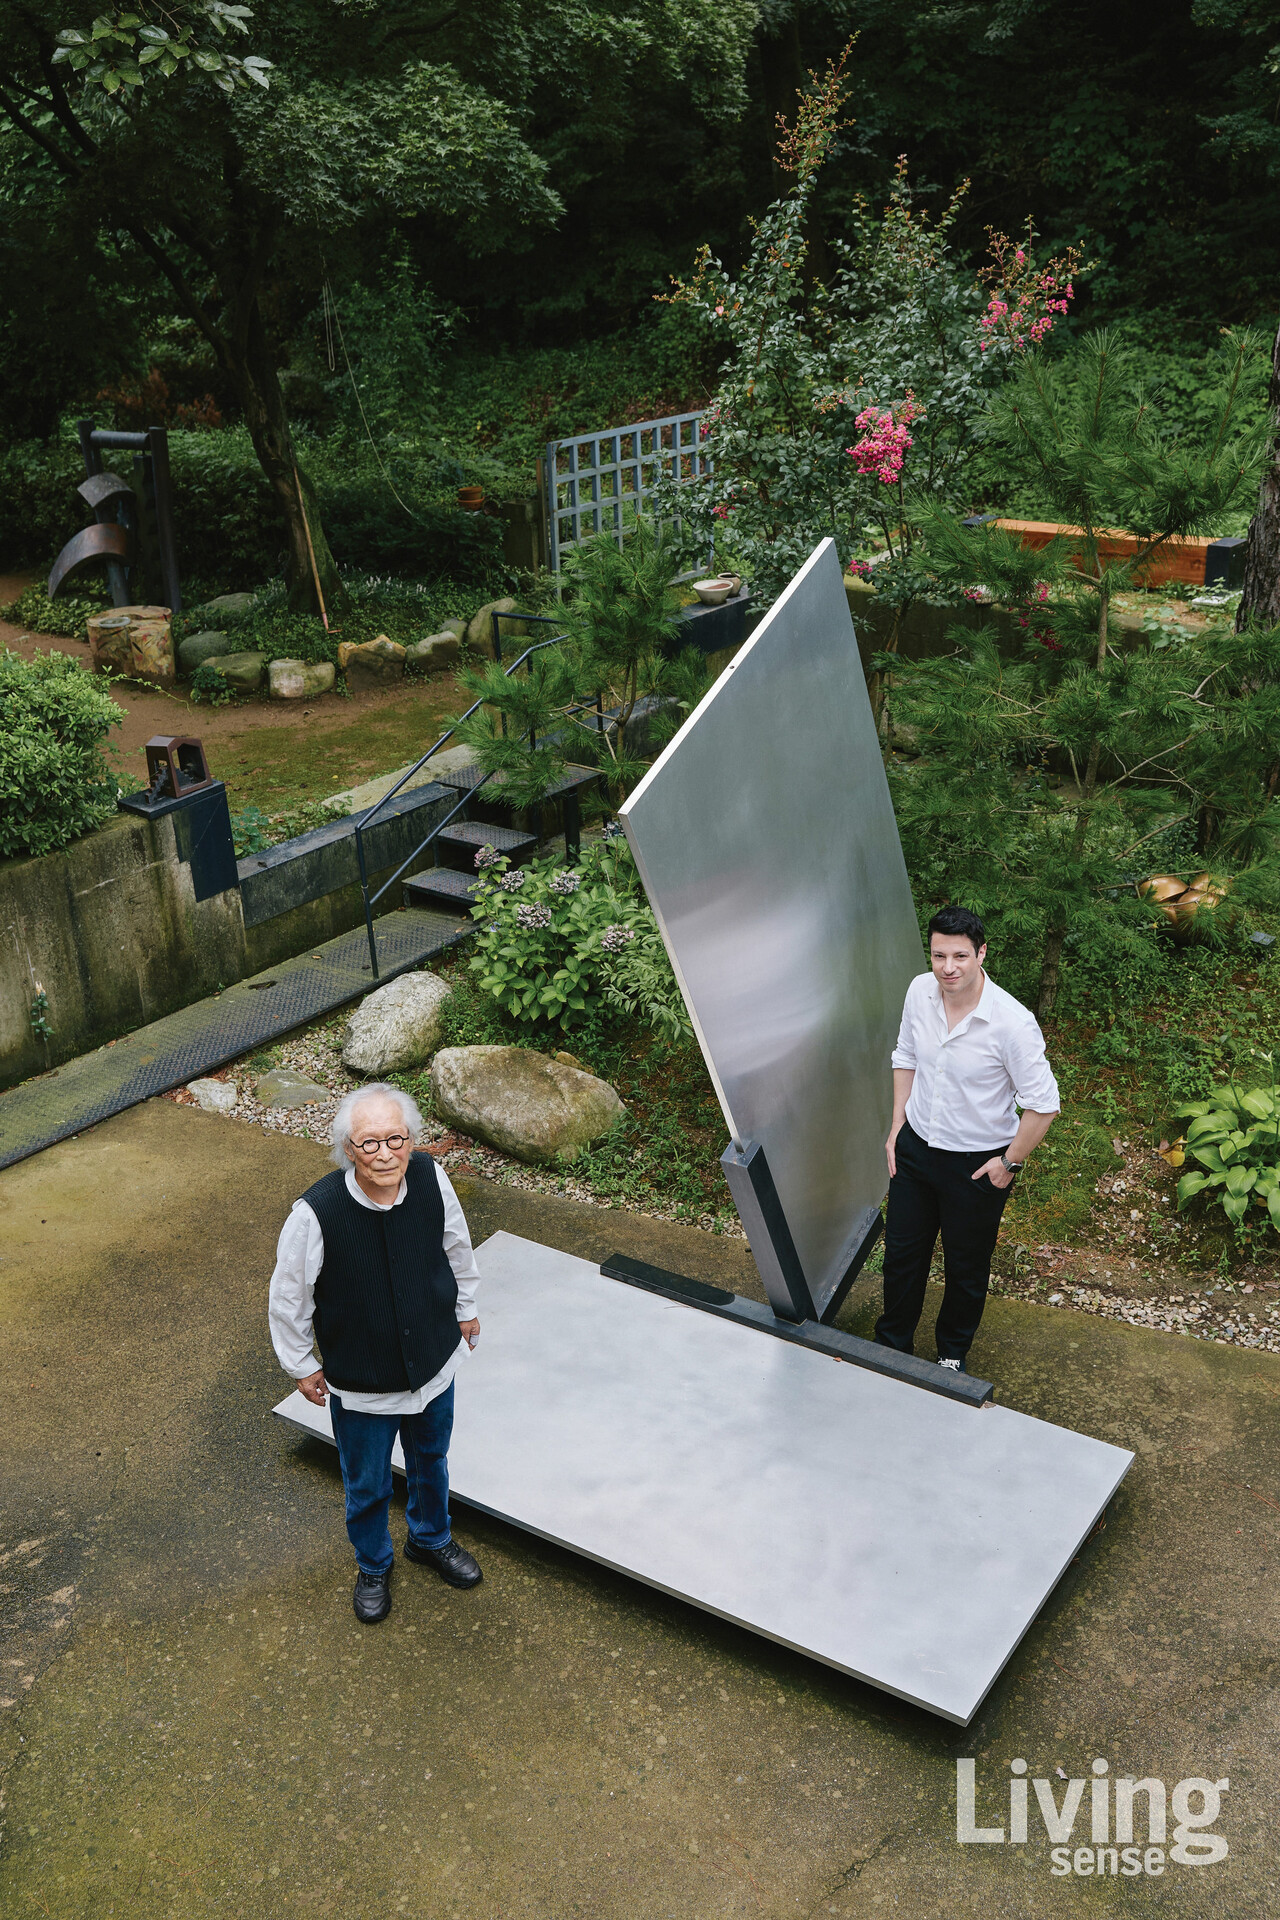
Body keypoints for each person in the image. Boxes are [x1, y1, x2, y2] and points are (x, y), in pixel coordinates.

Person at [269, 1082, 483, 1623]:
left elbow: (456, 1245)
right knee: (367, 1482)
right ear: (347, 1149)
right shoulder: (315, 1214)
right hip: (361, 1383)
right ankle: (373, 1563)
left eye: (396, 1139)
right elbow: (288, 1294)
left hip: (434, 1363)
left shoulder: (432, 1177)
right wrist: (301, 1363)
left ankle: (430, 1539)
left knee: (431, 1461)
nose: (385, 1153)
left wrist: (466, 1307)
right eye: (369, 1144)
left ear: (411, 1141)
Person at [874, 906, 1060, 1375]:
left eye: (960, 955)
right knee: (901, 1259)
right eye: (939, 955)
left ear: (981, 954)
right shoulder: (920, 991)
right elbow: (905, 1054)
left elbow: (1044, 1105)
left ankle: (950, 1356)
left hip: (976, 1166)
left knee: (965, 1268)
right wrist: (897, 1126)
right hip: (916, 1151)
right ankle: (890, 1346)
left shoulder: (1011, 1023)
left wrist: (1009, 1163)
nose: (948, 967)